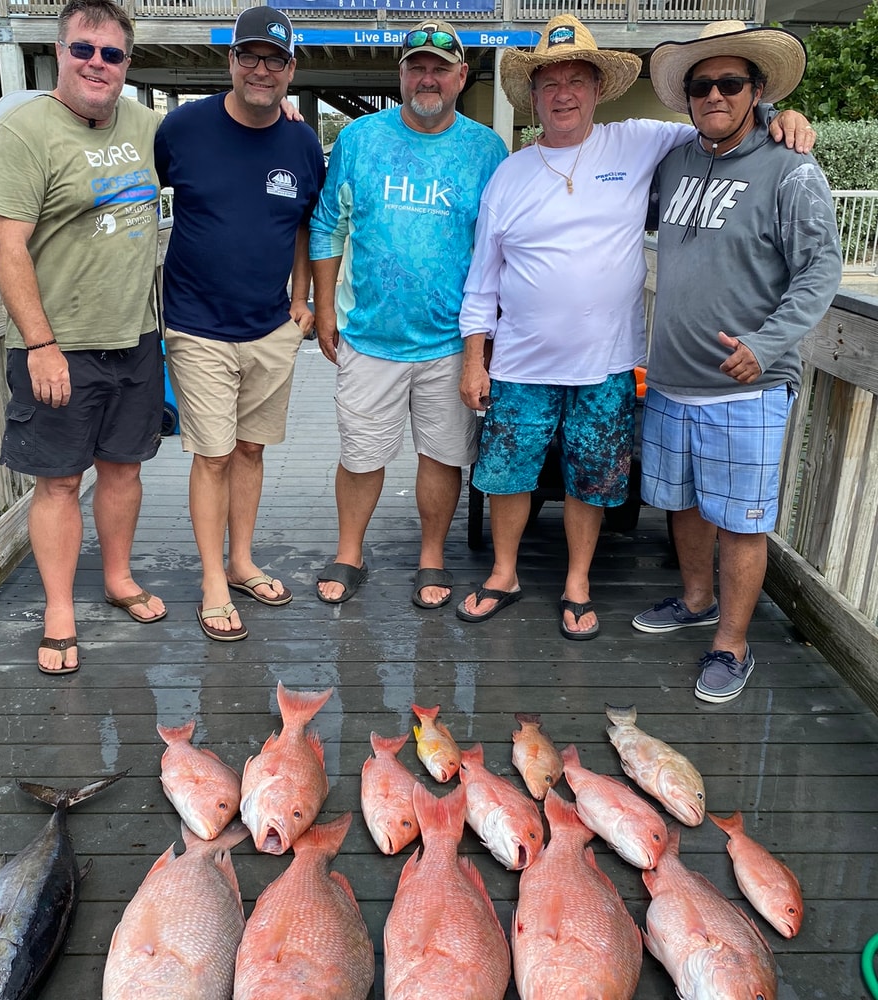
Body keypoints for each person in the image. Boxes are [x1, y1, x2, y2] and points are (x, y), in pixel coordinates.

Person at [456, 14, 813, 638]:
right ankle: (504, 573)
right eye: (549, 83)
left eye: (576, 80)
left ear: (599, 89)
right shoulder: (507, 175)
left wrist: (784, 115)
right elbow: (483, 278)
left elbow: (724, 120)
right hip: (518, 361)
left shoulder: (642, 140)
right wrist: (472, 357)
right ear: (533, 96)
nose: (563, 93)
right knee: (507, 474)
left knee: (590, 478)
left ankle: (577, 582)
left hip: (607, 361)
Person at [632, 21, 842, 702]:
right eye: (701, 85)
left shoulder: (791, 168)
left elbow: (819, 271)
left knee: (744, 522)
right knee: (686, 504)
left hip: (746, 386)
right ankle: (696, 601)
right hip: (670, 381)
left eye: (730, 82)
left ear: (757, 90)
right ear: (687, 97)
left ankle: (732, 644)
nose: (714, 94)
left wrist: (767, 345)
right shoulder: (675, 163)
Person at [0, 0, 166, 676]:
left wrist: (283, 115)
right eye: (84, 49)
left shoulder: (147, 126)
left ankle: (117, 578)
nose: (97, 63)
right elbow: (5, 243)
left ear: (126, 63)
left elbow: (222, 136)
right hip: (56, 342)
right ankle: (59, 608)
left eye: (112, 54)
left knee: (124, 469)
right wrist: (40, 343)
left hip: (135, 334)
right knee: (58, 482)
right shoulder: (24, 132)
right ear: (59, 52)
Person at [309, 20, 508, 610]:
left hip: (451, 340)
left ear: (461, 77)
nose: (428, 78)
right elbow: (327, 223)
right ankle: (350, 552)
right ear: (400, 75)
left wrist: (487, 339)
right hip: (369, 334)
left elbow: (500, 246)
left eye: (440, 69)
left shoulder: (486, 149)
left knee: (443, 455)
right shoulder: (359, 139)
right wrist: (324, 308)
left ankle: (432, 555)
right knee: (361, 453)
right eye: (417, 67)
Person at [155, 7, 325, 642]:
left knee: (251, 448)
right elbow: (133, 190)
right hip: (198, 324)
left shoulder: (302, 142)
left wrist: (302, 299)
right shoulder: (181, 129)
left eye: (274, 59)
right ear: (230, 61)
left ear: (289, 70)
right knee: (214, 454)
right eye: (249, 56)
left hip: (271, 326)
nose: (261, 69)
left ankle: (242, 559)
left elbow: (308, 222)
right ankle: (212, 581)